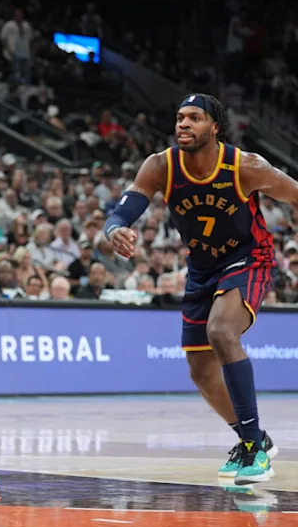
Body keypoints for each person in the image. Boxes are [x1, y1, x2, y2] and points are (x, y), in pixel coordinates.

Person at [105, 93, 286, 486]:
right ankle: (253, 439)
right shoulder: (161, 166)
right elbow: (123, 211)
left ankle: (256, 452)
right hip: (202, 270)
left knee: (221, 331)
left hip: (249, 258)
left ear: (214, 127)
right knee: (202, 373)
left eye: (194, 118)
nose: (183, 124)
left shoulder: (246, 167)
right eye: (180, 117)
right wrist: (115, 229)